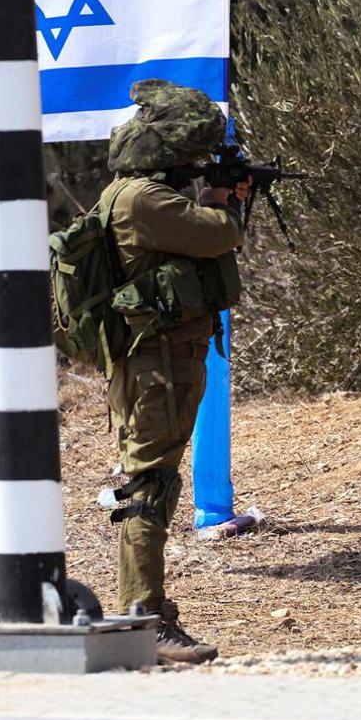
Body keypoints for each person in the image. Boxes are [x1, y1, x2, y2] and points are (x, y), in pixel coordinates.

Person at [98, 80, 250, 666]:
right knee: (150, 482)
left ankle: (146, 613)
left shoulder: (136, 194)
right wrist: (226, 199)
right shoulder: (143, 201)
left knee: (151, 479)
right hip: (156, 364)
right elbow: (219, 235)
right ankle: (144, 619)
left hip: (158, 360)